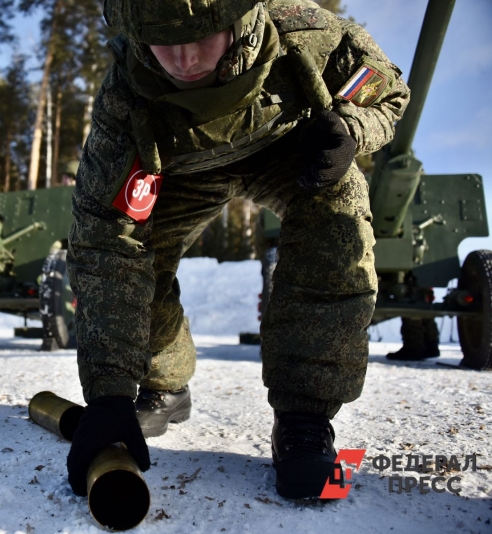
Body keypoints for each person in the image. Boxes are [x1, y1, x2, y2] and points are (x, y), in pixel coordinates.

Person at [65, 0, 410, 500]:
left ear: (239, 19)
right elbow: (105, 242)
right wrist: (108, 393)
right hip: (186, 172)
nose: (184, 61)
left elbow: (388, 94)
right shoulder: (127, 95)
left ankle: (304, 420)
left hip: (290, 153)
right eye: (166, 43)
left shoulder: (307, 34)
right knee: (144, 257)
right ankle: (165, 385)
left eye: (201, 37)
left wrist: (353, 131)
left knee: (336, 219)